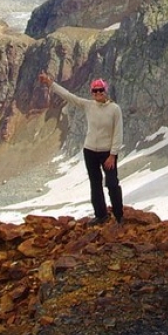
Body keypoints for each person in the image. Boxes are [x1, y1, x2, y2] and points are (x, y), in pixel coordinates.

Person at [39, 72, 124, 225]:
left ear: (105, 91)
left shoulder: (114, 109)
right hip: (90, 150)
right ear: (92, 92)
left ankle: (119, 216)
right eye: (95, 91)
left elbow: (118, 133)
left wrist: (113, 155)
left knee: (112, 183)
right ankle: (101, 215)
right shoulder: (88, 105)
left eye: (100, 90)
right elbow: (68, 96)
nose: (98, 93)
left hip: (107, 153)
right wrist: (50, 83)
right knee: (95, 183)